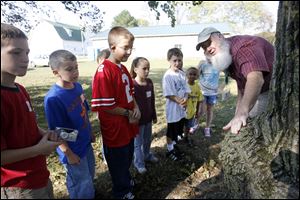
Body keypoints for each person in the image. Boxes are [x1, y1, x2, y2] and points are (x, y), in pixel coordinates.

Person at [1, 23, 61, 199]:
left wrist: (46, 134)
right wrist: (38, 150)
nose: (26, 58)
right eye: (16, 52)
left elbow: (27, 126)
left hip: (39, 176)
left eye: (27, 52)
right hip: (18, 187)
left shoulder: (20, 89)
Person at [91, 26, 141, 199]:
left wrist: (136, 107)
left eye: (130, 48)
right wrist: (129, 114)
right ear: (112, 47)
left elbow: (131, 93)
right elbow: (107, 106)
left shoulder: (122, 68)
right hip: (115, 128)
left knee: (127, 156)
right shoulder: (104, 71)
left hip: (127, 125)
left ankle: (125, 182)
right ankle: (121, 192)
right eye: (125, 48)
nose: (129, 52)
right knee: (118, 161)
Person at [195, 27, 274, 134]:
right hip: (260, 89)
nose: (207, 49)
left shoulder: (243, 47)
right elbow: (242, 84)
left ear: (220, 36)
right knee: (241, 124)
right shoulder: (226, 53)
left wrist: (242, 113)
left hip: (272, 90)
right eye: (204, 48)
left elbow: (256, 78)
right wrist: (237, 113)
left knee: (252, 128)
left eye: (209, 43)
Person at [44, 49, 96, 199]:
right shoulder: (54, 98)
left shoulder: (77, 86)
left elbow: (84, 111)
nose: (75, 72)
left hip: (85, 143)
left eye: (76, 67)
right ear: (56, 72)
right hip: (73, 149)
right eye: (69, 69)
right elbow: (57, 131)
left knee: (89, 177)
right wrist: (69, 153)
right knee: (81, 184)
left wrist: (90, 132)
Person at [130, 57, 158, 174]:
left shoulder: (149, 82)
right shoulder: (132, 84)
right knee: (138, 143)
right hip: (138, 121)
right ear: (136, 69)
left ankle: (146, 155)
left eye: (148, 68)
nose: (147, 71)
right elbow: (130, 103)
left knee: (147, 140)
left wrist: (154, 114)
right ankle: (139, 163)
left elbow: (152, 100)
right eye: (144, 68)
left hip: (148, 119)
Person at [162, 47, 191, 161]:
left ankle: (174, 145)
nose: (177, 63)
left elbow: (186, 88)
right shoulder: (168, 76)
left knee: (179, 127)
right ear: (169, 60)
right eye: (174, 60)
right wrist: (181, 101)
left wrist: (186, 99)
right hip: (173, 108)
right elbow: (168, 94)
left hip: (181, 108)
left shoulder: (182, 73)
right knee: (171, 130)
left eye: (179, 60)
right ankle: (170, 149)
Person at [198, 60, 220, 137]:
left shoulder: (218, 64)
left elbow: (227, 74)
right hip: (203, 92)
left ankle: (207, 128)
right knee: (201, 111)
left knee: (209, 110)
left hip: (213, 93)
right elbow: (197, 74)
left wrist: (221, 88)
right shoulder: (202, 63)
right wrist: (199, 67)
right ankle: (195, 124)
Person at [184, 67, 204, 143]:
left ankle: (186, 137)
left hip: (192, 112)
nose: (192, 76)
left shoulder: (197, 87)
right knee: (180, 125)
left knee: (188, 126)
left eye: (194, 74)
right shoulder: (184, 85)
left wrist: (197, 111)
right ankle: (179, 137)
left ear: (197, 76)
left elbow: (199, 100)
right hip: (182, 112)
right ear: (187, 75)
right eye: (190, 74)